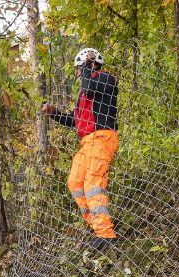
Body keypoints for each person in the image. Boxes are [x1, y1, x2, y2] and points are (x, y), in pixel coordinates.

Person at [43, 47, 120, 251]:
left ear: (89, 65)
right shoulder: (85, 92)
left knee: (93, 183)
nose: (79, 74)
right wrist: (55, 114)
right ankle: (98, 225)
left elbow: (91, 88)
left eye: (79, 69)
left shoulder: (106, 79)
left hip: (102, 137)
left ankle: (106, 233)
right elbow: (76, 121)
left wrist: (87, 65)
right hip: (86, 142)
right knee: (75, 182)